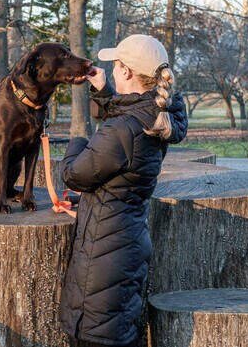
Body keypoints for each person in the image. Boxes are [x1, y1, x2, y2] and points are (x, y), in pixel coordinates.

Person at [59, 34, 188, 347]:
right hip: (126, 243)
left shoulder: (122, 130)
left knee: (98, 336)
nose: (113, 70)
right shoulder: (157, 114)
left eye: (116, 66)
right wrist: (103, 91)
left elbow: (74, 175)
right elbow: (125, 126)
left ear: (128, 72)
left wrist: (78, 139)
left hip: (104, 258)